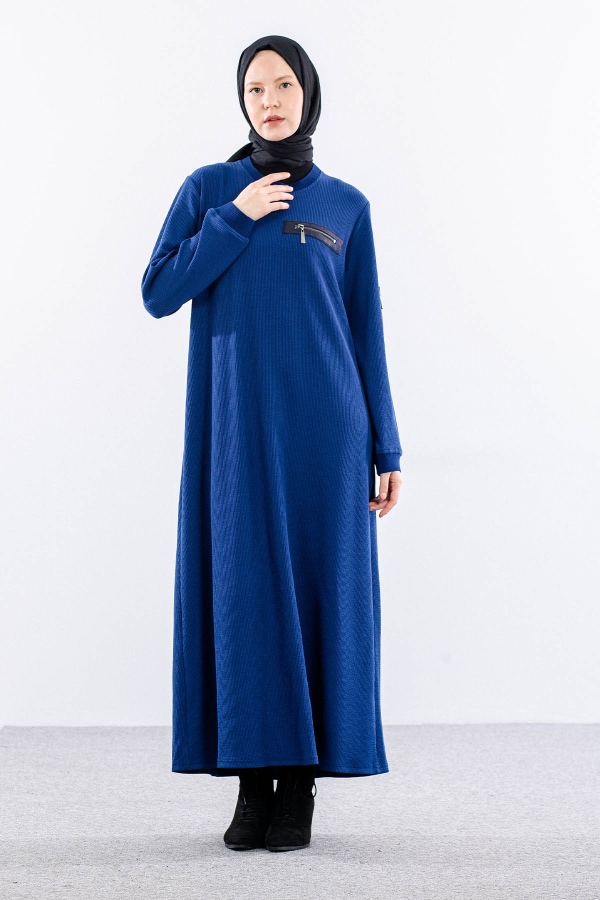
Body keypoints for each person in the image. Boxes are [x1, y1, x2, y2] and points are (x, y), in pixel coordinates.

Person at [141, 34, 404, 853]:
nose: (269, 100)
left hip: (329, 435)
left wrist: (388, 448)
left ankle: (300, 790)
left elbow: (365, 330)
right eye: (255, 88)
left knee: (323, 598)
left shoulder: (345, 205)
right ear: (242, 100)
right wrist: (235, 217)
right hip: (236, 437)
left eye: (283, 84)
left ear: (308, 94)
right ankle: (253, 786)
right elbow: (159, 290)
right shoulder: (209, 190)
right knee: (244, 594)